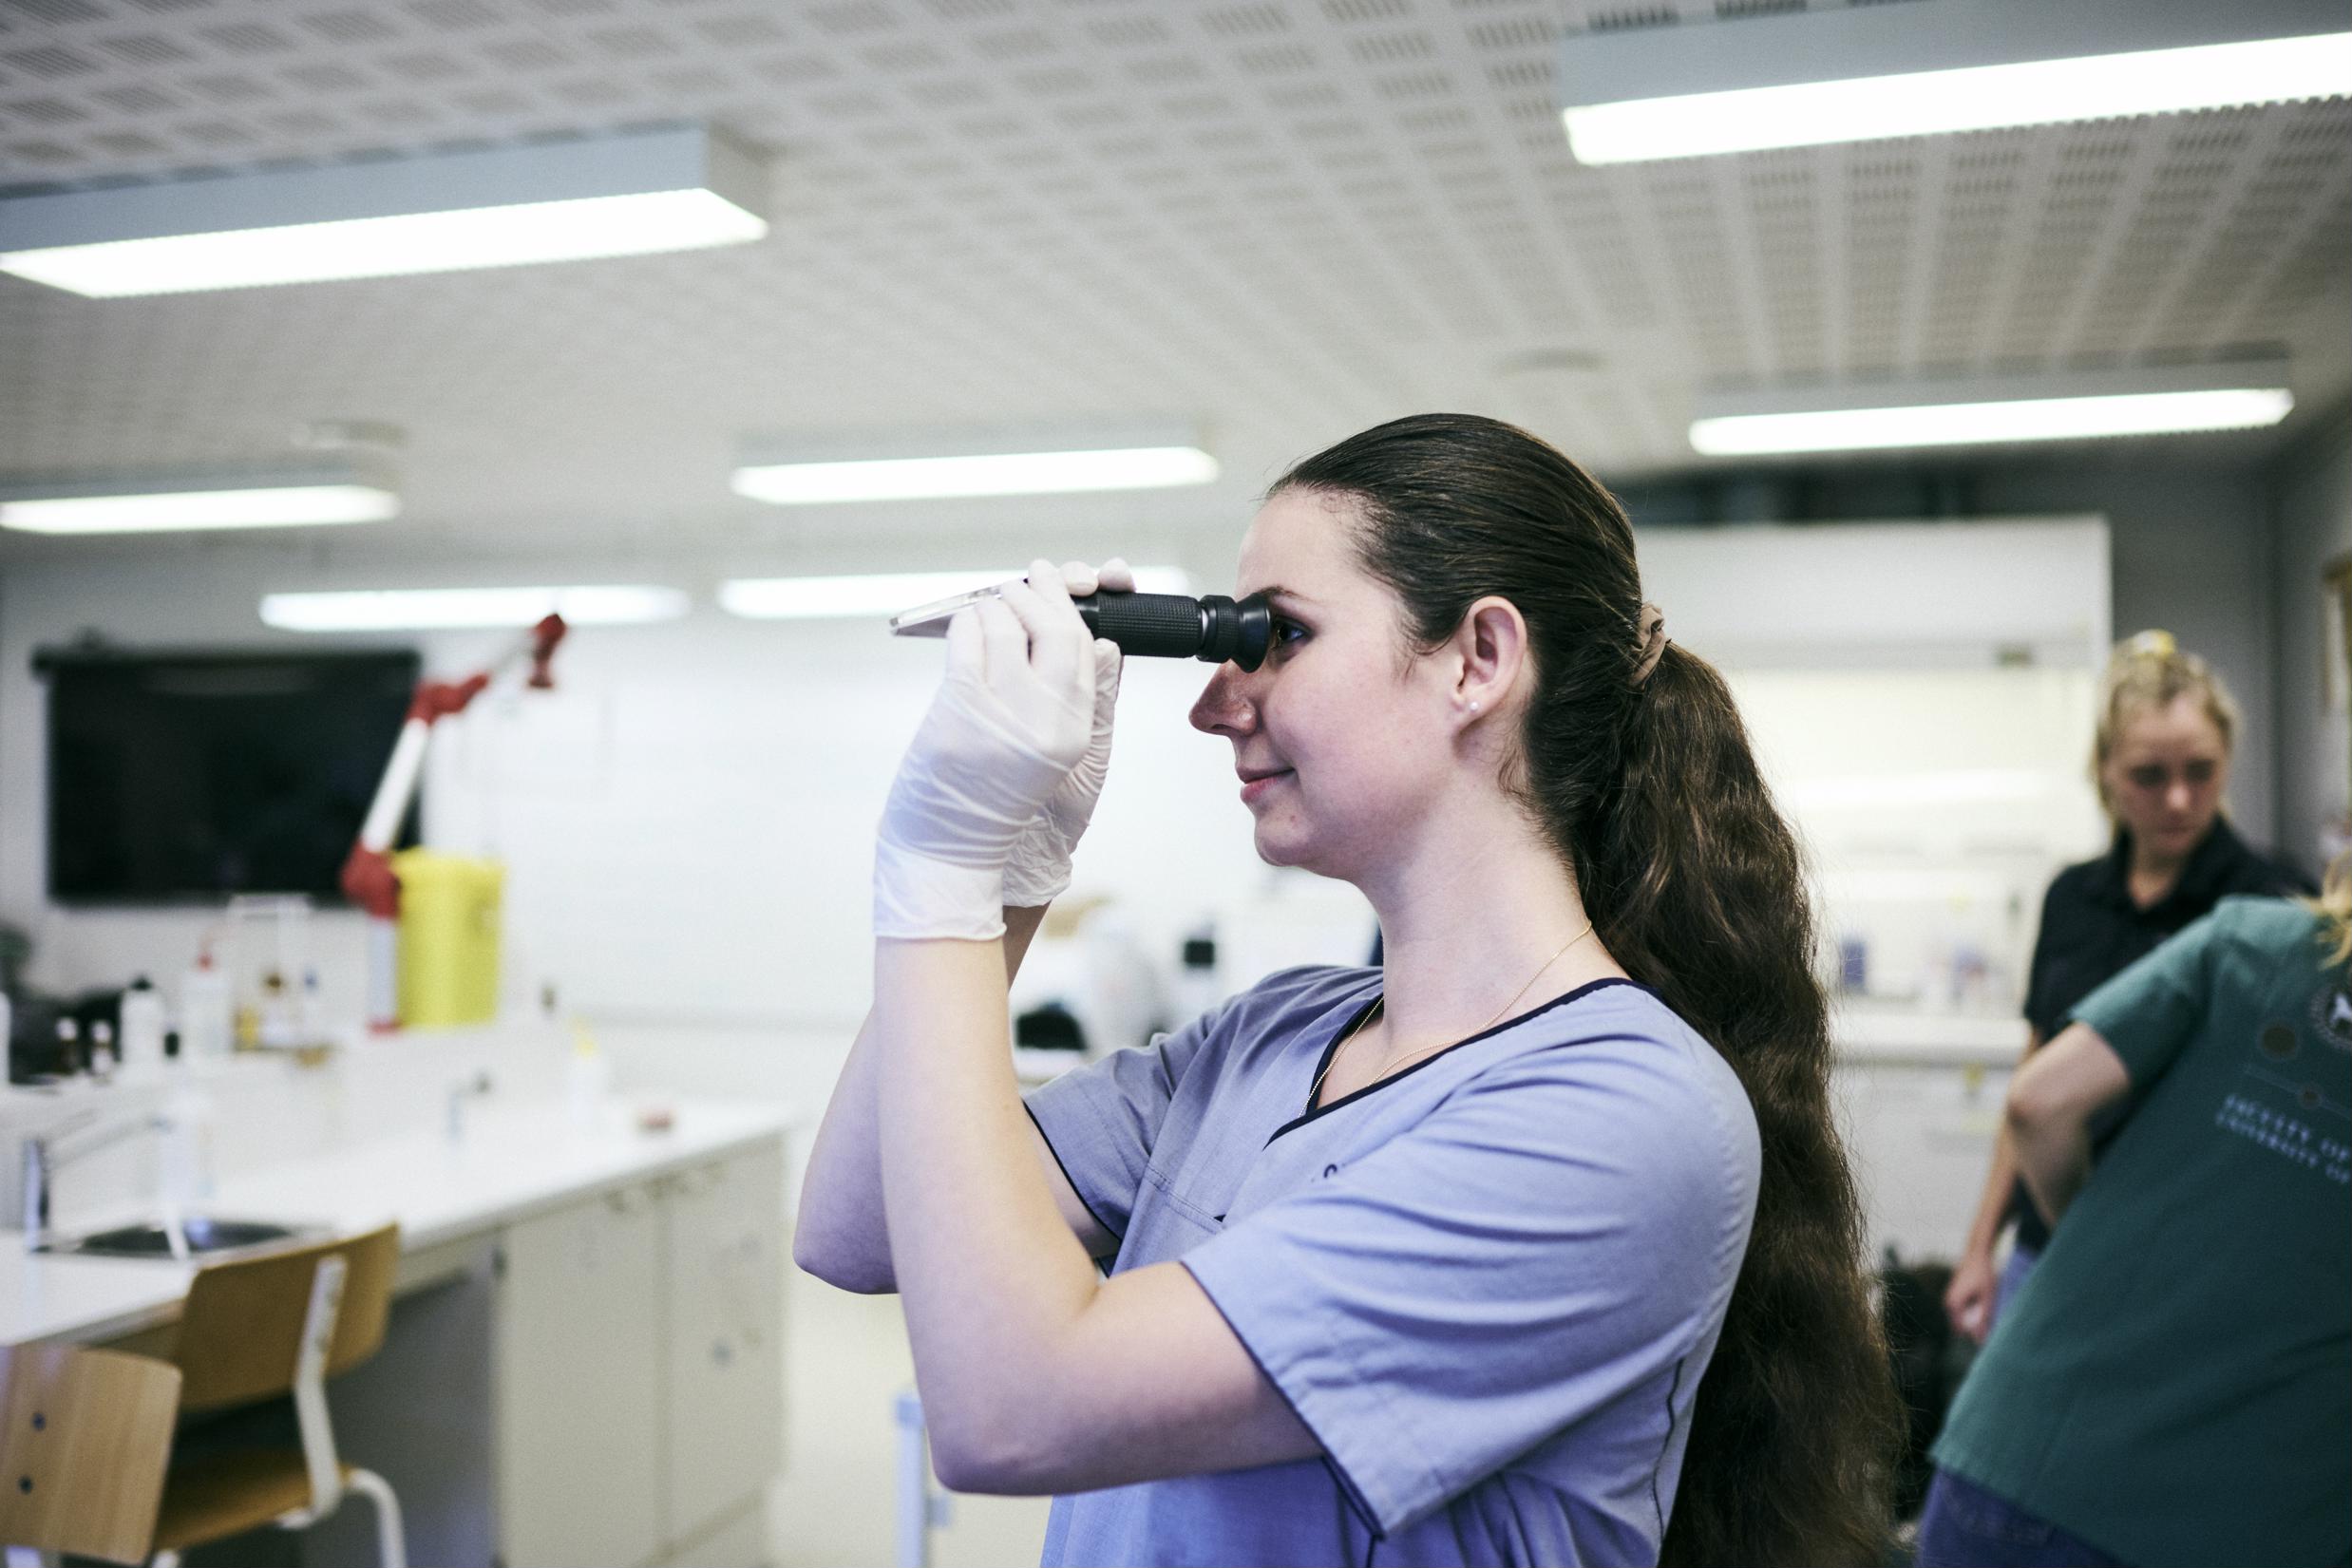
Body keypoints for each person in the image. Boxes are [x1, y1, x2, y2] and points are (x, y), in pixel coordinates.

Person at [795, 413, 1899, 1567]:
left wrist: (941, 880)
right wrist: (1011, 876)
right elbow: (853, 1227)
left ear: (1478, 659)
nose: (1216, 701)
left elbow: (1013, 1413)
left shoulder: (1622, 1115)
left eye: (1277, 634)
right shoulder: (1271, 1038)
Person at [1915, 865, 2352, 1567]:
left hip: (2021, 1460)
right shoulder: (2097, 900)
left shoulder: (2256, 939)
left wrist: (2087, 1244)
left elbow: (2040, 1100)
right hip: (2232, 1517)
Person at [1944, 632, 2313, 1344]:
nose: (2179, 797)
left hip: (2192, 1262)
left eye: (2201, 770)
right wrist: (1977, 1245)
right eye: (2150, 774)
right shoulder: (2072, 899)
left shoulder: (2271, 908)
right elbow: (2035, 1072)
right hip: (2050, 1244)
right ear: (2105, 771)